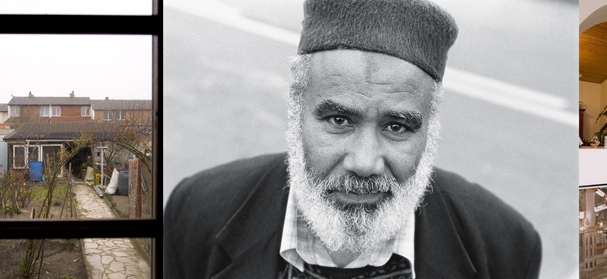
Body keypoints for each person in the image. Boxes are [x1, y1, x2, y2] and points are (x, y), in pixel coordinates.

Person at [164, 0, 542, 278]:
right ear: (297, 111)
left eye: (397, 127)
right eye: (339, 119)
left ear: (430, 127)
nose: (364, 163)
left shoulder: (505, 246)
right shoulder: (197, 211)